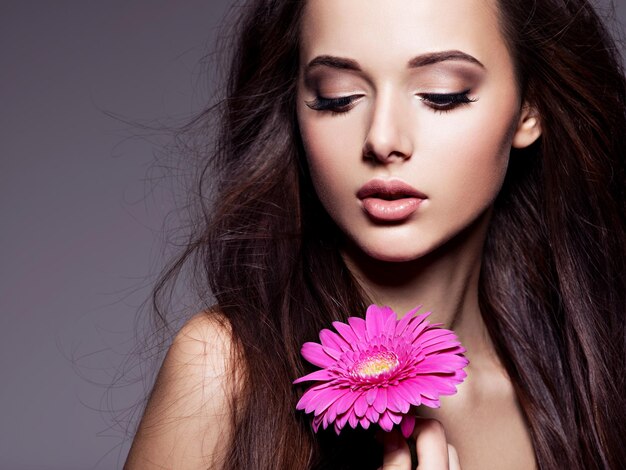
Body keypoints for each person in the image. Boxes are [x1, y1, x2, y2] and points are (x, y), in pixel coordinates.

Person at [124, 0, 626, 468]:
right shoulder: (224, 372)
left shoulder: (592, 384)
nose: (382, 139)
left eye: (441, 95)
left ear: (528, 109)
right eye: (337, 99)